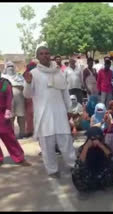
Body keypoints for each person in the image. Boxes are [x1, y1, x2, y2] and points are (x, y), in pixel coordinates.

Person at [23, 46, 76, 178]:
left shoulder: (59, 72)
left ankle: (73, 165)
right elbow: (27, 95)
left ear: (50, 55)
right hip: (43, 116)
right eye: (41, 54)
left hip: (60, 113)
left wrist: (69, 109)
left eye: (47, 53)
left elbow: (65, 92)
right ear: (37, 57)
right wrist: (28, 83)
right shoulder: (33, 74)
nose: (45, 55)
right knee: (47, 145)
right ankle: (52, 170)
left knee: (66, 141)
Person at [72, 127, 113, 200]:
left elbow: (111, 157)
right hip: (89, 176)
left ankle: (107, 184)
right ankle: (85, 188)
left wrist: (101, 146)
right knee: (77, 168)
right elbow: (80, 162)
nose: (94, 141)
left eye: (96, 138)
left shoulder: (104, 146)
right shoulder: (83, 148)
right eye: (92, 138)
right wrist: (86, 147)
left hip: (102, 175)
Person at [0, 70, 30, 166]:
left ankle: (19, 158)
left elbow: (9, 96)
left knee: (8, 136)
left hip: (2, 113)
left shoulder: (4, 83)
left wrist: (8, 111)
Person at [3, 61, 26, 139]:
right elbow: (3, 89)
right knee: (10, 118)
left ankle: (22, 133)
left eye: (12, 66)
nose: (10, 68)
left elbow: (24, 86)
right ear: (6, 68)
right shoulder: (3, 77)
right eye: (8, 66)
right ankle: (12, 134)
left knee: (21, 116)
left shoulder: (19, 77)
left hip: (20, 99)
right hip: (8, 100)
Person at [24, 62, 37, 138]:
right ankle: (29, 130)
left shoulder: (38, 74)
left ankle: (34, 130)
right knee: (29, 115)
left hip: (35, 97)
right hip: (27, 97)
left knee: (34, 114)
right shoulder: (25, 74)